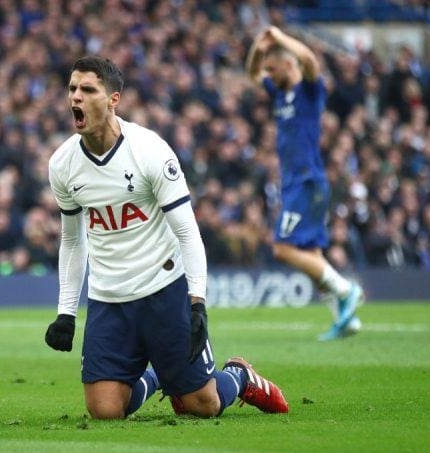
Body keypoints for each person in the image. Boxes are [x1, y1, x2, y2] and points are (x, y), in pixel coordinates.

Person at [44, 56, 288, 419]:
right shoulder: (62, 164)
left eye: (88, 89)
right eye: (72, 89)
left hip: (163, 290)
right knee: (104, 412)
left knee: (203, 406)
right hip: (109, 298)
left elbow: (187, 232)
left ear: (113, 99)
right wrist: (66, 312)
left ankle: (239, 375)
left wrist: (197, 301)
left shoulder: (149, 151)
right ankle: (157, 375)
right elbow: (73, 240)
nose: (75, 97)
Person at [247, 27, 363, 341]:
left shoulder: (309, 90)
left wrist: (279, 36)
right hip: (295, 183)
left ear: (289, 64)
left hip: (307, 180)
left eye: (274, 67)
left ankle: (346, 289)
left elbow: (310, 59)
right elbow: (252, 71)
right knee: (310, 254)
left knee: (283, 248)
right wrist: (261, 46)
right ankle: (345, 317)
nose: (269, 73)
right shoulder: (280, 93)